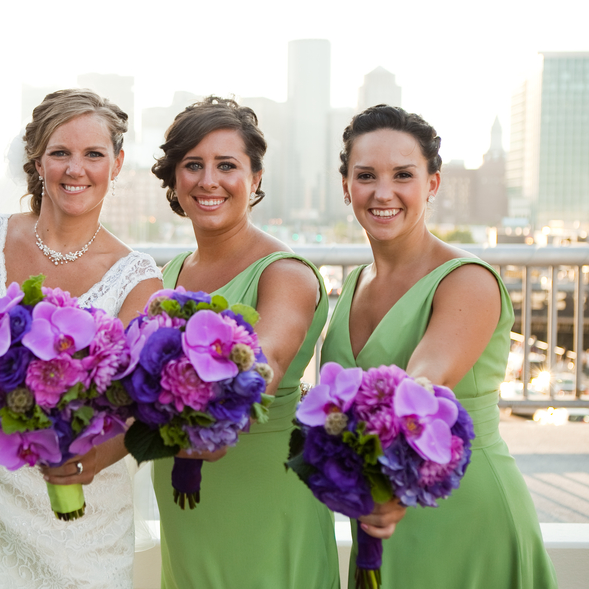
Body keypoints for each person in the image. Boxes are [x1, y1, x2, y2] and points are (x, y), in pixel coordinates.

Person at [0, 88, 163, 589]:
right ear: (37, 160)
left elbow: (134, 404)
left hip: (80, 520)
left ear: (117, 163)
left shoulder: (139, 279)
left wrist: (90, 459)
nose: (75, 168)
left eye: (93, 154)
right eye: (60, 152)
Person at [321, 104, 558, 588]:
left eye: (403, 175)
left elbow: (425, 383)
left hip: (464, 514)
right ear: (346, 186)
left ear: (432, 183)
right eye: (366, 175)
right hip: (377, 516)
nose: (383, 192)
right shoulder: (352, 285)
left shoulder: (468, 280)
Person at [148, 96, 341, 588]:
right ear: (174, 179)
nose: (208, 180)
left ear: (254, 179)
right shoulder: (170, 273)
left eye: (226, 165)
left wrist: (210, 411)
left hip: (262, 486)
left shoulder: (285, 273)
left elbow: (267, 359)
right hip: (185, 499)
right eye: (193, 165)